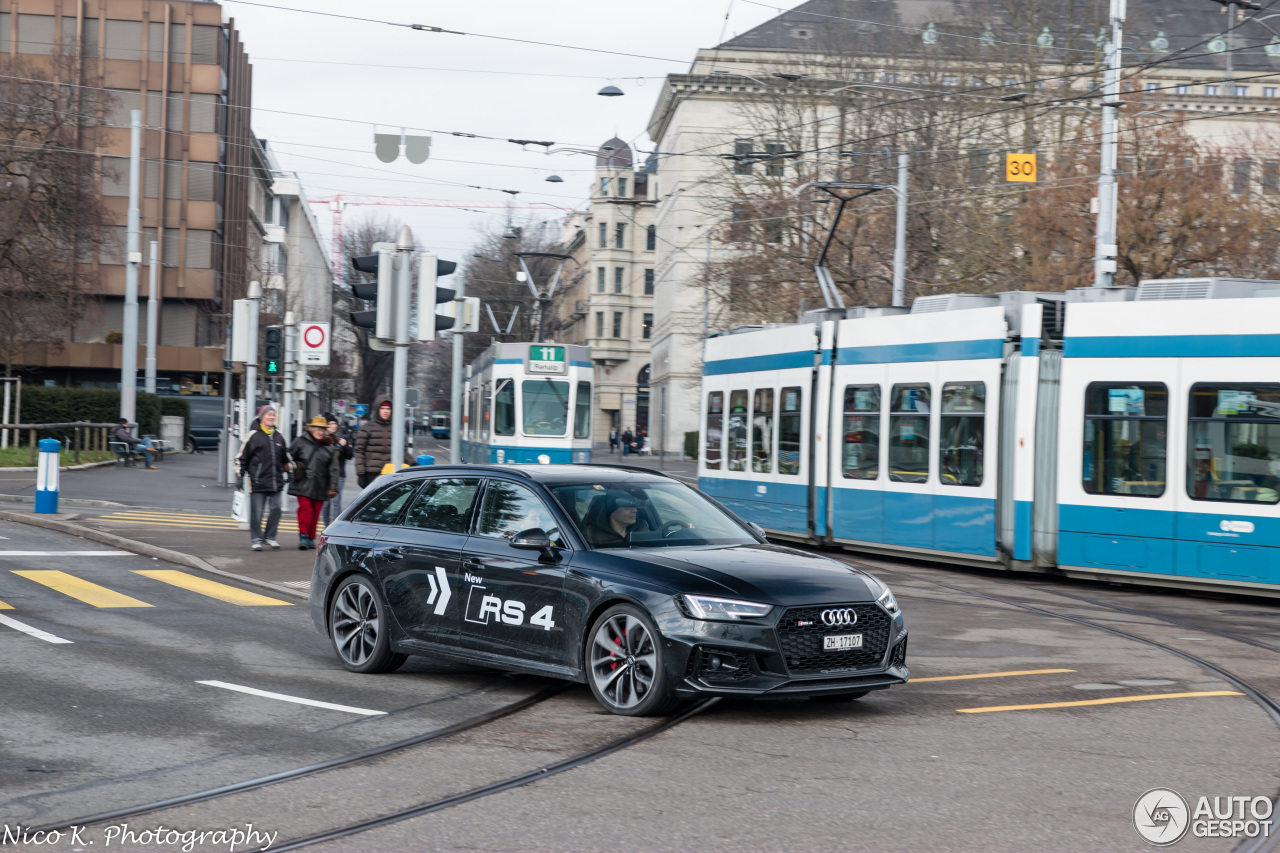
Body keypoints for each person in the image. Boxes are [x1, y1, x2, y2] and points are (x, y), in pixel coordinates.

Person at [234, 405, 288, 551]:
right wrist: (239, 475)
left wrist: (290, 471)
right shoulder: (252, 436)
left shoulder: (278, 436)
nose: (271, 417)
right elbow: (241, 457)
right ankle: (256, 539)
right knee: (257, 513)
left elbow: (285, 458)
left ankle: (270, 537)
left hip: (276, 481)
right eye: (269, 415)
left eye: (273, 415)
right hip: (258, 481)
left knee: (276, 509)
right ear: (261, 417)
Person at [289, 415, 340, 550]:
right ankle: (303, 535)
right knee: (306, 510)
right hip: (303, 482)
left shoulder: (329, 446)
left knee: (316, 511)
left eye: (322, 429)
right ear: (311, 429)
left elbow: (334, 469)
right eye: (317, 428)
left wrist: (334, 487)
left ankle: (310, 537)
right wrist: (294, 466)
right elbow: (289, 457)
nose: (320, 431)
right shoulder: (301, 441)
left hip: (320, 485)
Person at [353, 398, 415, 488]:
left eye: (388, 408)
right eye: (382, 408)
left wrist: (413, 463)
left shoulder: (397, 428)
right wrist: (361, 473)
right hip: (371, 475)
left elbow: (403, 452)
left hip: (390, 475)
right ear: (378, 410)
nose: (385, 411)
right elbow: (359, 451)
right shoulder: (368, 427)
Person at [322, 413, 355, 526]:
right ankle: (326, 526)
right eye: (330, 424)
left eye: (334, 423)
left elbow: (350, 455)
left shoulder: (342, 438)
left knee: (335, 501)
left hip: (339, 475)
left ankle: (335, 527)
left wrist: (345, 445)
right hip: (325, 475)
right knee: (326, 503)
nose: (333, 426)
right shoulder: (322, 438)